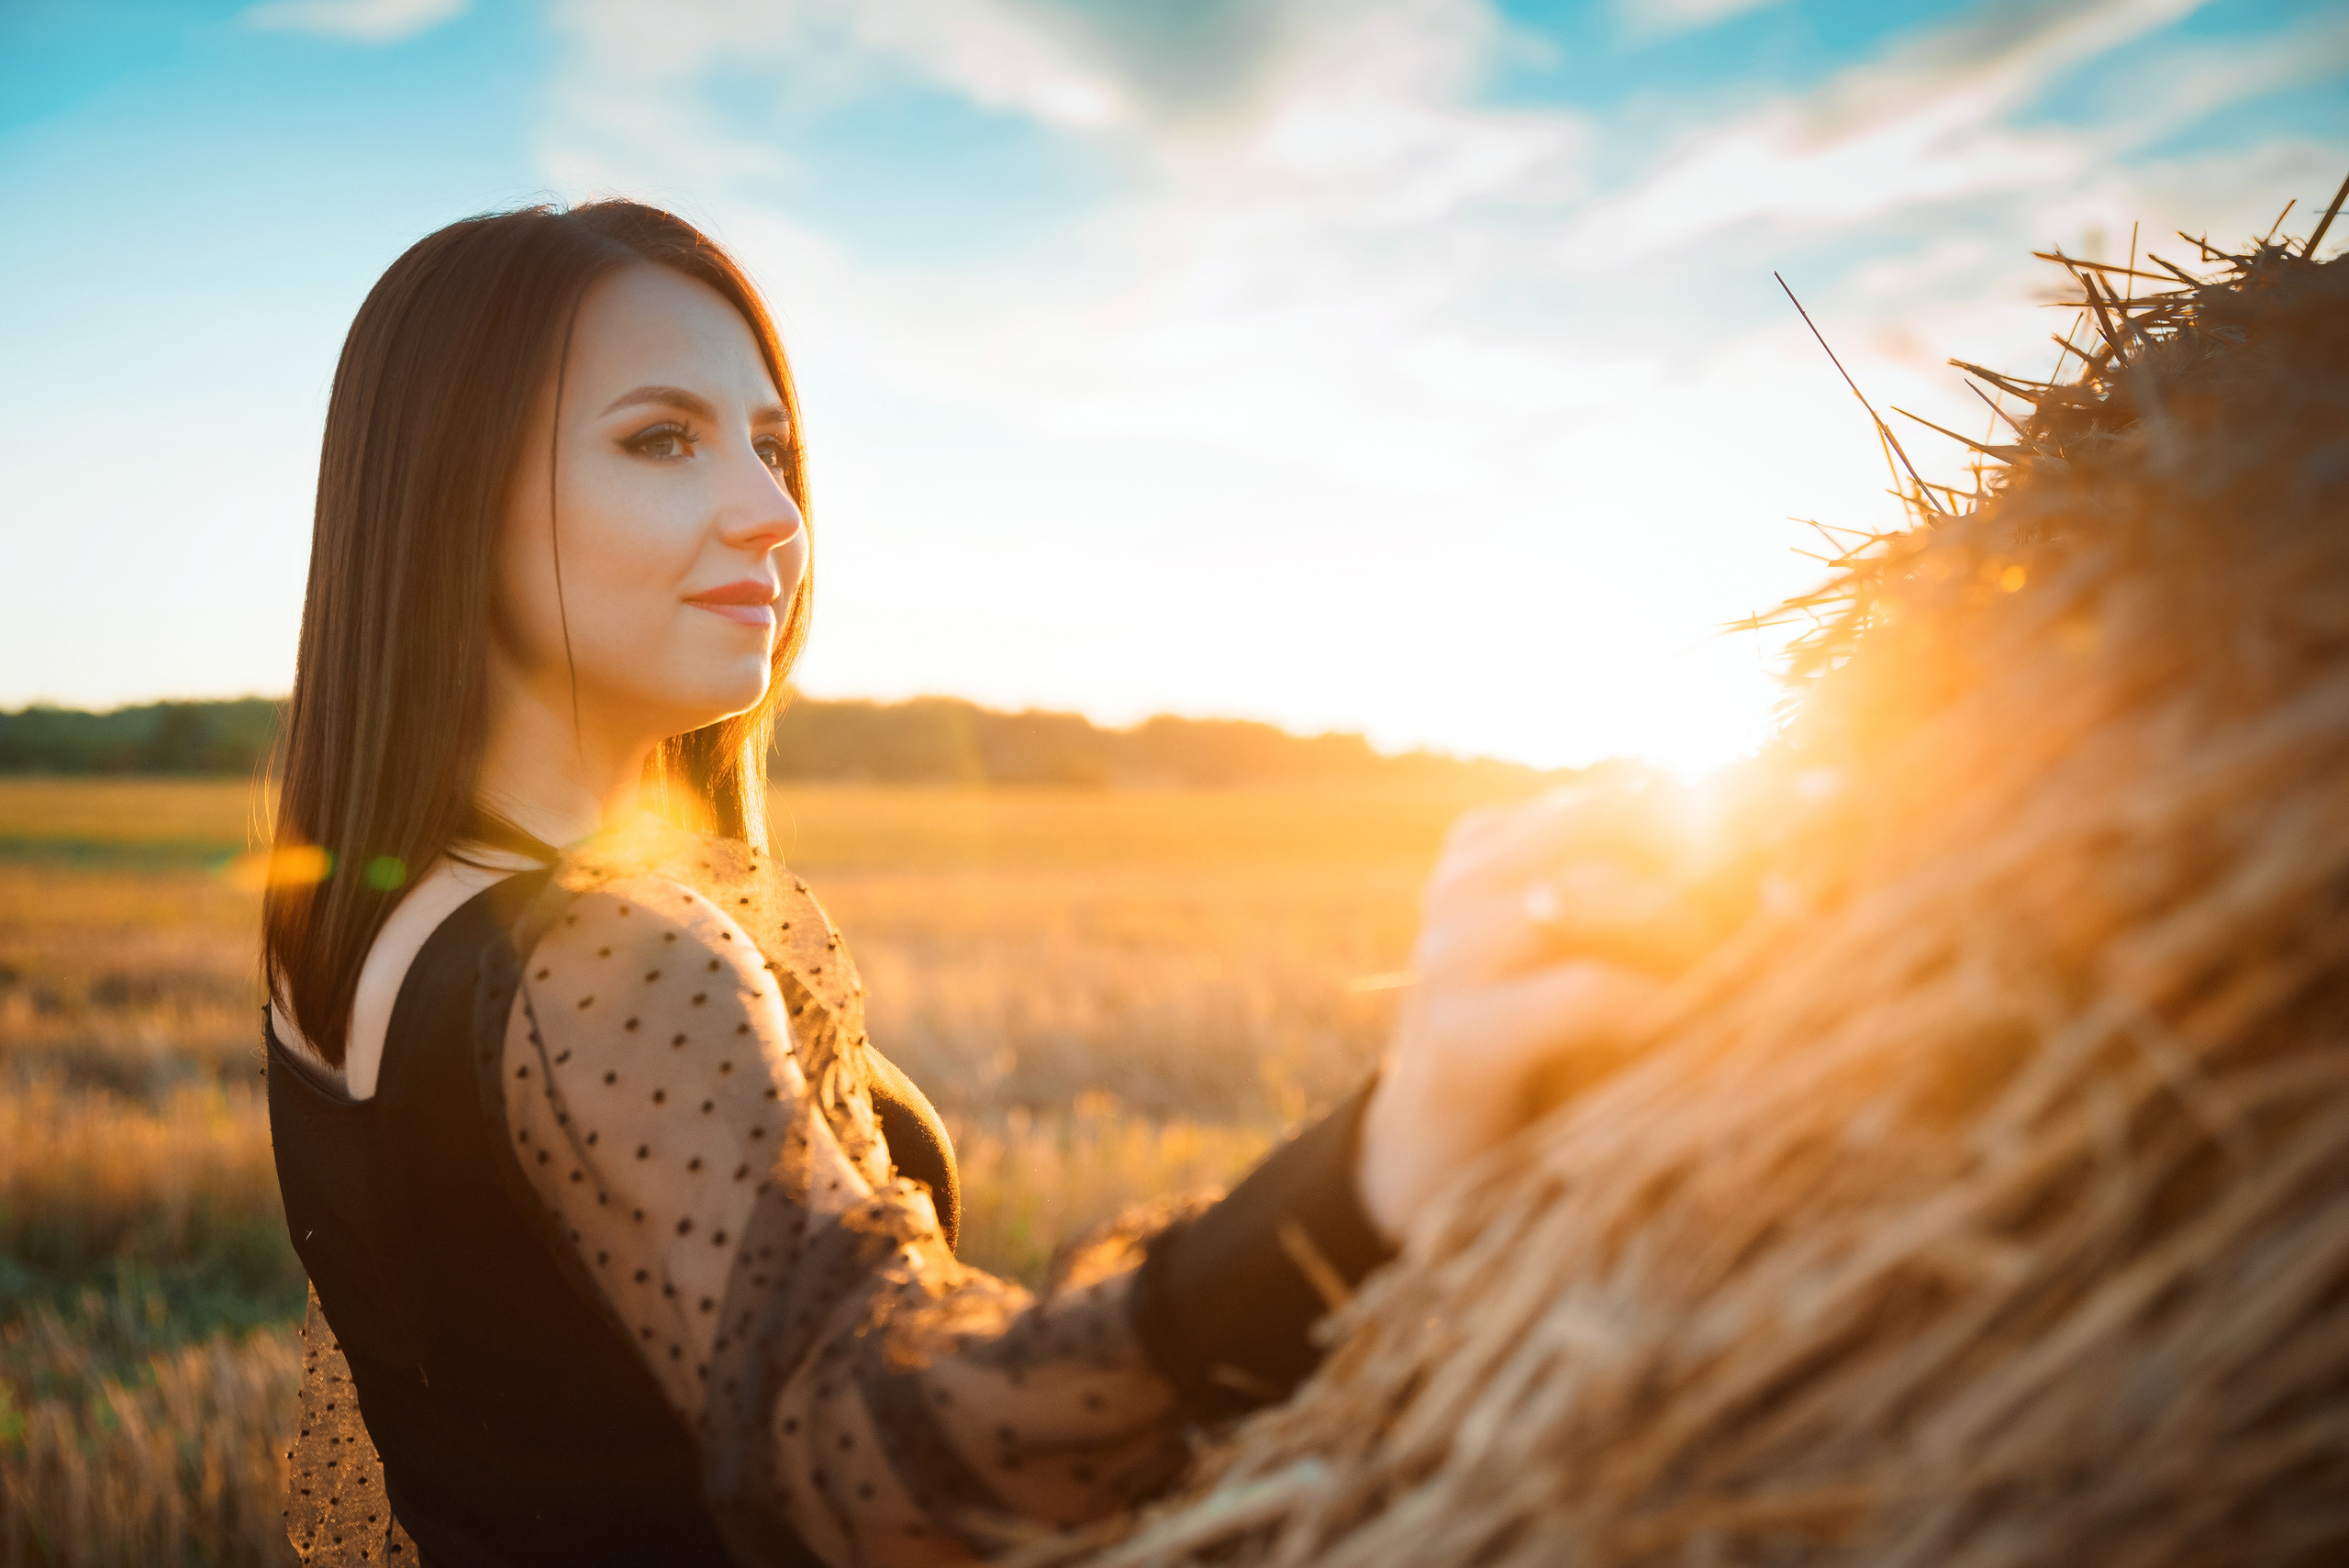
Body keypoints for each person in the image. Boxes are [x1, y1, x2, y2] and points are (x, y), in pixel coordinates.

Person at [262, 200, 1672, 1567]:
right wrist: (1382, 1166)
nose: (770, 514)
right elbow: (893, 1465)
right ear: (448, 493)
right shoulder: (610, 958)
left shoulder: (365, 917)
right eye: (660, 440)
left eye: (774, 446)